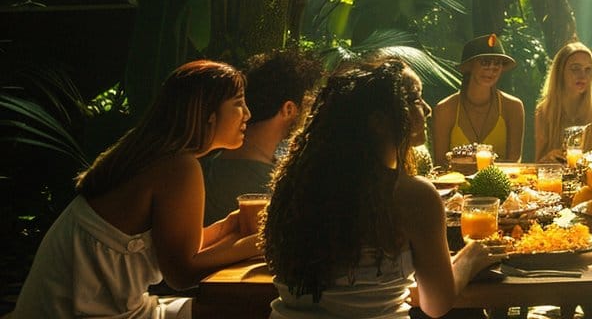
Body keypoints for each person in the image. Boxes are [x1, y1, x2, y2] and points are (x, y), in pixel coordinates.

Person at [15, 60, 263, 318]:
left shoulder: (153, 156)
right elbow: (182, 273)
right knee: (249, 307)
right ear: (208, 113)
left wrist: (229, 227)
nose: (247, 114)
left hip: (95, 309)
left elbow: (180, 250)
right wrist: (261, 244)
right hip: (89, 315)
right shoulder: (178, 166)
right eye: (238, 103)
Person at [266, 58, 499, 318]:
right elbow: (436, 304)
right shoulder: (411, 195)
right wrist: (471, 257)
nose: (426, 109)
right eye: (414, 99)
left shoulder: (295, 188)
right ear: (378, 121)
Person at [203, 52, 324, 223]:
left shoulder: (206, 167)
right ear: (289, 109)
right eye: (309, 105)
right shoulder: (278, 188)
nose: (310, 115)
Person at [431, 33, 525, 165]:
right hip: (455, 178)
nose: (491, 69)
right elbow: (440, 163)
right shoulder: (445, 109)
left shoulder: (513, 107)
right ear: (469, 66)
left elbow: (514, 161)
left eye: (497, 63)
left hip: (501, 178)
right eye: (485, 62)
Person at [534, 42, 592, 162]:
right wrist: (549, 157)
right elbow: (538, 163)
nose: (583, 75)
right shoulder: (545, 110)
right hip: (557, 172)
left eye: (588, 69)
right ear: (560, 71)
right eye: (575, 69)